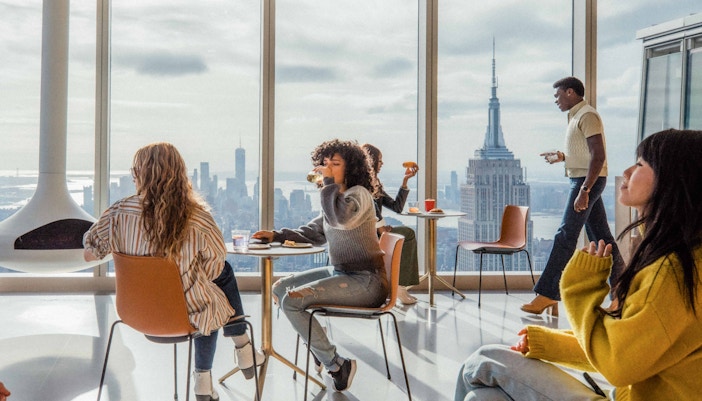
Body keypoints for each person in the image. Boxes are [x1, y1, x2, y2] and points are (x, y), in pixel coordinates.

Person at [454, 129, 702, 401]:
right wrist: (545, 344)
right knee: (482, 399)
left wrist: (580, 287)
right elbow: (629, 345)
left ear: (675, 181)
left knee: (484, 359)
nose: (628, 171)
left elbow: (618, 362)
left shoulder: (676, 272)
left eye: (641, 163)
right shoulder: (683, 259)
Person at [83, 142, 263, 401]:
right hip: (184, 316)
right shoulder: (199, 219)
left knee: (207, 292)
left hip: (134, 312)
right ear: (181, 174)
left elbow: (90, 253)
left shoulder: (117, 213)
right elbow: (214, 269)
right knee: (209, 294)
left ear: (140, 175)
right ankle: (213, 371)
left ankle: (239, 352)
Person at [252, 139, 386, 393]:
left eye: (335, 164)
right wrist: (276, 235)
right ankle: (319, 347)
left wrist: (327, 185)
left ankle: (336, 365)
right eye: (325, 164)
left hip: (367, 281)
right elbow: (314, 232)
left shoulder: (359, 196)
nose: (327, 169)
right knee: (281, 289)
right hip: (342, 273)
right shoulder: (338, 199)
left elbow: (340, 219)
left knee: (292, 301)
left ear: (352, 168)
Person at [523, 76, 625, 315]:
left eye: (557, 95)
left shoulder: (588, 115)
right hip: (583, 179)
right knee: (603, 239)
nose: (555, 100)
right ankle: (622, 293)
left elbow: (597, 156)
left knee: (565, 234)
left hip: (586, 182)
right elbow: (586, 155)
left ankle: (547, 294)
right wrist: (563, 156)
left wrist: (585, 190)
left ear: (570, 92)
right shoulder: (576, 116)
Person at [361, 143, 420, 305]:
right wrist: (381, 226)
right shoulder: (364, 183)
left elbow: (397, 207)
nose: (382, 164)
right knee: (407, 234)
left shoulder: (375, 183)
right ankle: (399, 286)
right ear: (372, 161)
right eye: (380, 160)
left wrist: (405, 182)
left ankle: (399, 286)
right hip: (370, 232)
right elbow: (369, 206)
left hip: (379, 231)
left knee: (407, 234)